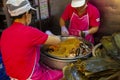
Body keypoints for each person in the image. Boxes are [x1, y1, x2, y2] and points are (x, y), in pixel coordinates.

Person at [1, 0, 63, 80]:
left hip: (12, 77)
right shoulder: (29, 31)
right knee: (62, 73)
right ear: (26, 14)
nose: (31, 16)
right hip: (30, 77)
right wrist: (49, 34)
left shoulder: (5, 33)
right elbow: (57, 41)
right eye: (31, 13)